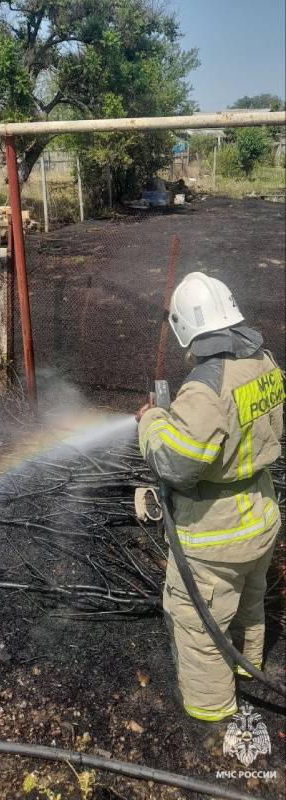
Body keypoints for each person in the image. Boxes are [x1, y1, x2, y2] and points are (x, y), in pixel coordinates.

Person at [137, 272, 285, 723]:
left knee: (199, 620)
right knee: (248, 603)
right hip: (260, 515)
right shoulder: (265, 362)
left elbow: (175, 462)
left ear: (188, 328)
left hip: (216, 533)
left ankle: (212, 713)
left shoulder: (205, 386)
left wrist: (151, 421)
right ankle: (247, 668)